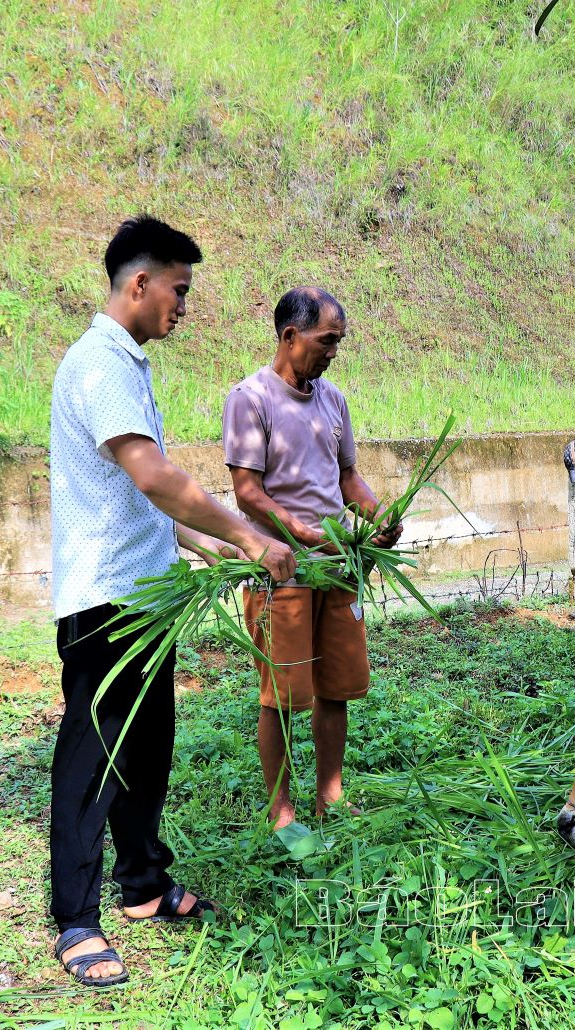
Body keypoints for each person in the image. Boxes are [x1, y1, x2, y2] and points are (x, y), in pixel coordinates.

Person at [48, 215, 297, 988]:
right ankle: (76, 919)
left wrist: (203, 544)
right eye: (179, 291)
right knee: (94, 758)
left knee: (146, 750)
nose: (183, 307)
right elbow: (154, 476)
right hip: (106, 599)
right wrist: (252, 538)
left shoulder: (125, 364)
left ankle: (144, 884)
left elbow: (139, 496)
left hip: (144, 595)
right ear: (140, 284)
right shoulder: (101, 364)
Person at [223, 286, 400, 829]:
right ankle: (281, 812)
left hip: (338, 565)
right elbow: (248, 492)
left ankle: (331, 794)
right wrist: (303, 535)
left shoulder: (333, 399)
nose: (332, 353)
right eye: (327, 341)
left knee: (336, 685)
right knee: (280, 695)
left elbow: (347, 477)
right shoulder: (250, 398)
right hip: (282, 569)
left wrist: (375, 516)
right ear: (290, 335)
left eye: (338, 343)